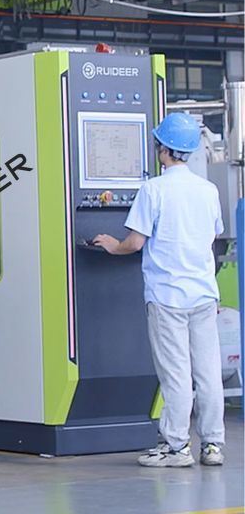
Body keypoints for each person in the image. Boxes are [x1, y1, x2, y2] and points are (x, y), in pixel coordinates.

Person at [94, 112, 225, 468]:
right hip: (203, 294)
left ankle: (176, 448)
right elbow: (211, 237)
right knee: (207, 373)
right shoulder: (208, 190)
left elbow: (135, 243)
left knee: (176, 374)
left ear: (163, 150)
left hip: (168, 296)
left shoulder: (153, 190)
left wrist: (112, 245)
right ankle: (212, 445)